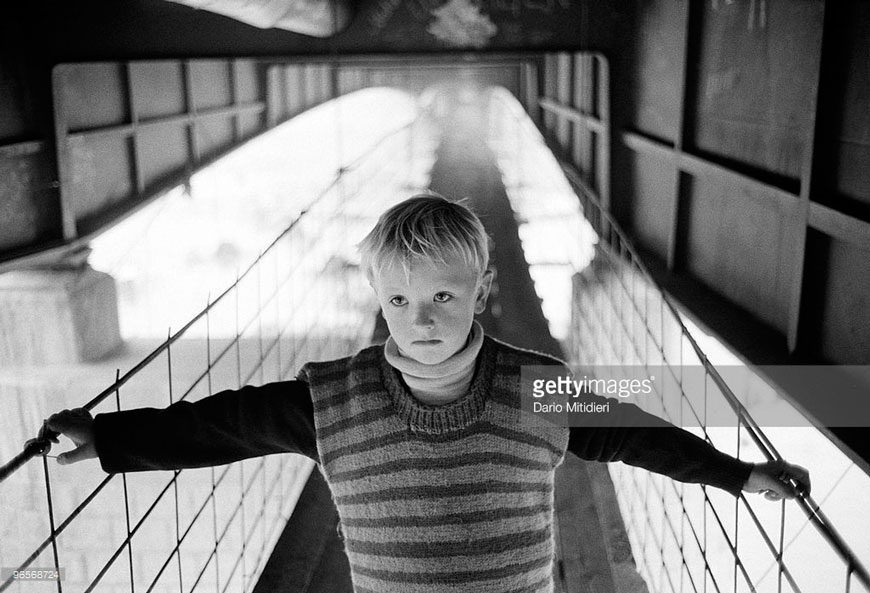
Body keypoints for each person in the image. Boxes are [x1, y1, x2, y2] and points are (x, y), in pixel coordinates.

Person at [46, 194, 810, 593]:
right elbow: (222, 427)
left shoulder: (537, 385)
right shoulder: (334, 400)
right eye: (402, 301)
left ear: (481, 292)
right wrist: (108, 437)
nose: (423, 319)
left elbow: (637, 431)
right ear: (380, 299)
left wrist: (740, 475)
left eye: (444, 296)